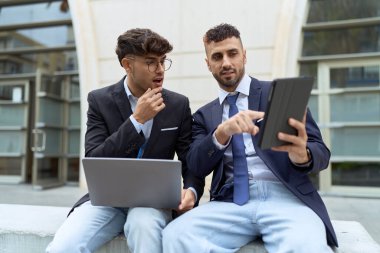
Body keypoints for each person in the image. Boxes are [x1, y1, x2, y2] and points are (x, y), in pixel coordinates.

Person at [162, 23, 338, 253]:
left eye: (232, 53)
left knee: (307, 247)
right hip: (230, 201)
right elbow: (195, 164)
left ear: (244, 56)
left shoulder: (279, 95)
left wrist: (301, 155)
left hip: (286, 199)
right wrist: (221, 133)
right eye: (217, 56)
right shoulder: (204, 115)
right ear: (208, 64)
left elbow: (321, 153)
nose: (226, 62)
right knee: (175, 236)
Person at [46, 28, 204, 253]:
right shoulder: (100, 101)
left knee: (143, 227)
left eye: (162, 61)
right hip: (106, 200)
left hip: (152, 203)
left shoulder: (178, 105)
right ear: (127, 65)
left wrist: (191, 190)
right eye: (151, 62)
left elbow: (190, 162)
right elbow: (95, 159)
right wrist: (136, 121)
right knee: (64, 247)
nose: (160, 70)